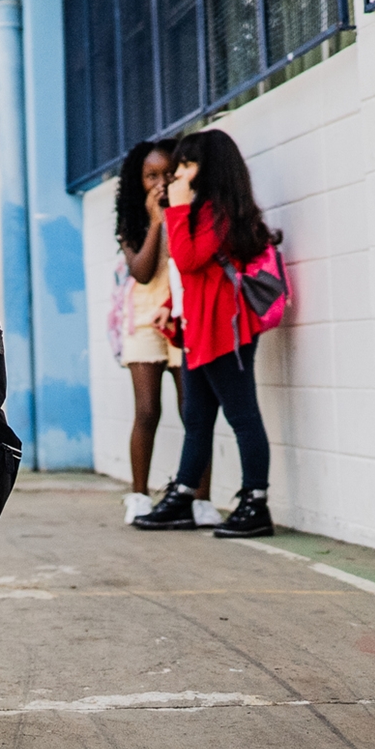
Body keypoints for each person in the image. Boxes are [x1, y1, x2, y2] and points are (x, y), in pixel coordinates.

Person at [133, 128, 278, 537]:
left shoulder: (219, 212)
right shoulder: (197, 213)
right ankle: (182, 495)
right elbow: (187, 280)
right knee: (196, 417)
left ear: (209, 170)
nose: (177, 174)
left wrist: (176, 211)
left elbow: (190, 259)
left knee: (242, 415)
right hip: (197, 330)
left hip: (224, 331)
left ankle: (256, 502)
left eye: (187, 165)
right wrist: (168, 309)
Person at [111, 140, 212, 527]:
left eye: (167, 174)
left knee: (194, 411)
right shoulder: (133, 220)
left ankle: (200, 499)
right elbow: (141, 271)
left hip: (185, 319)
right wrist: (156, 220)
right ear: (139, 182)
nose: (160, 182)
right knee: (148, 409)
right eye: (151, 176)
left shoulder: (193, 210)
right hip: (144, 318)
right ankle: (139, 495)